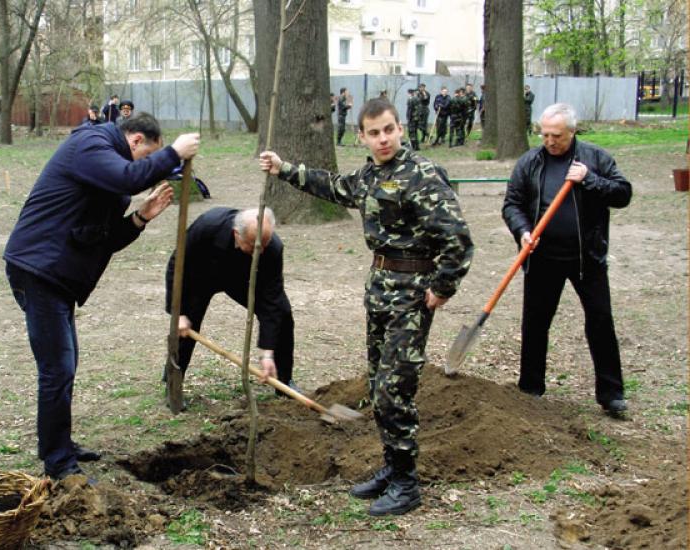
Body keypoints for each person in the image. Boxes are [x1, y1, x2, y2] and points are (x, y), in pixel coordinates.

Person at [259, 98, 473, 517]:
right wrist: (284, 169)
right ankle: (392, 469)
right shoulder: (371, 175)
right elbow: (334, 186)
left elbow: (458, 237)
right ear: (361, 136)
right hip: (380, 290)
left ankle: (407, 484)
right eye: (374, 133)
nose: (383, 139)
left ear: (401, 129)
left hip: (412, 293)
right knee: (378, 385)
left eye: (389, 130)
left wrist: (443, 286)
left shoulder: (421, 175)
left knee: (396, 389)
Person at [4, 112, 200, 480]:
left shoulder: (106, 171)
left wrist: (141, 217)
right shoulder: (89, 144)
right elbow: (129, 175)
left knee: (64, 365)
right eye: (146, 158)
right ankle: (59, 464)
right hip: (38, 269)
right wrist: (174, 152)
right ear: (136, 141)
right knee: (57, 368)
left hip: (56, 276)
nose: (144, 169)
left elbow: (104, 238)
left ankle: (57, 445)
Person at [501, 103, 632, 417]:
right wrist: (522, 231)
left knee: (600, 320)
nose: (549, 140)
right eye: (544, 134)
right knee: (535, 324)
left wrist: (589, 179)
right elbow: (512, 204)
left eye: (556, 135)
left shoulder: (595, 159)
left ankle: (611, 394)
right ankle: (530, 389)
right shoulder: (530, 162)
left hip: (587, 258)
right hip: (543, 258)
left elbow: (623, 194)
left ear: (573, 132)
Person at [164, 207, 301, 402]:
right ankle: (173, 384)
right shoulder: (208, 226)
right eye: (254, 246)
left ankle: (284, 381)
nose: (260, 251)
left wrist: (267, 352)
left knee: (283, 315)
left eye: (265, 244)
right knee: (186, 326)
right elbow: (176, 264)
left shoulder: (273, 249)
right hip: (202, 275)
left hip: (242, 279)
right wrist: (178, 312)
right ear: (237, 234)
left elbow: (272, 302)